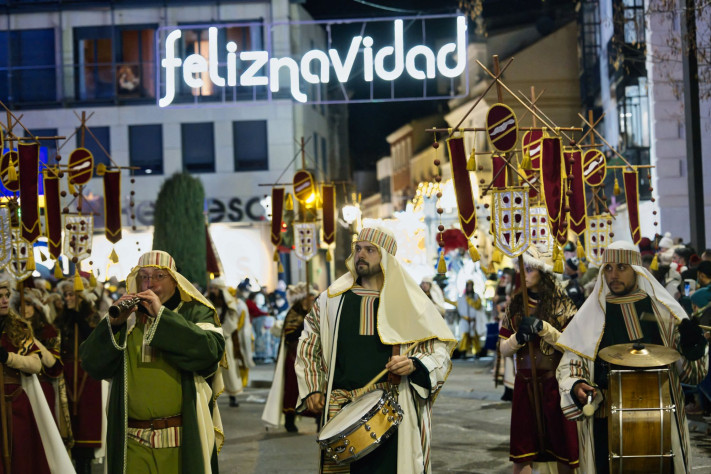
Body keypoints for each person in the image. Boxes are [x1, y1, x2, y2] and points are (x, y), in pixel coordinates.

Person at [295, 223, 455, 473]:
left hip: (392, 409)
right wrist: (313, 387)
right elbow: (309, 343)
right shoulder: (331, 300)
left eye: (370, 250)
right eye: (358, 248)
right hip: (341, 409)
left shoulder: (409, 302)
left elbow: (438, 348)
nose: (361, 254)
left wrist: (414, 364)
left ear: (387, 257)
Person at [556, 241, 709, 473]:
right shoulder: (591, 314)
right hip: (606, 420)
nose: (613, 275)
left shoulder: (663, 310)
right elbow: (572, 363)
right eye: (608, 268)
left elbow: (691, 373)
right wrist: (577, 384)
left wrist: (693, 345)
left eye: (621, 267)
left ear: (636, 270)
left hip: (660, 418)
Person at [79, 250, 226, 474]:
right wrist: (113, 325)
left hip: (182, 439)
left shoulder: (195, 311)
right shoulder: (127, 316)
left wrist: (162, 316)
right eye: (144, 276)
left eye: (159, 276)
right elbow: (91, 364)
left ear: (175, 281)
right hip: (132, 441)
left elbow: (210, 352)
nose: (150, 283)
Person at [498, 247, 579, 473]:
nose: (524, 273)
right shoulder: (515, 304)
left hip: (555, 384)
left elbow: (572, 346)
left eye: (530, 269)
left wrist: (544, 329)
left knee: (564, 450)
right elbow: (503, 349)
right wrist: (518, 339)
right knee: (522, 453)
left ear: (543, 272)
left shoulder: (563, 304)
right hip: (524, 385)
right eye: (522, 268)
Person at [0, 279, 74, 473]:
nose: (5, 300)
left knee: (22, 458)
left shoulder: (19, 328)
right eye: (0, 297)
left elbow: (36, 364)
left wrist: (8, 358)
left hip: (15, 401)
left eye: (6, 296)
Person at [54, 279, 103, 473]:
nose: (67, 298)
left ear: (80, 296)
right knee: (68, 421)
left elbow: (96, 338)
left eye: (71, 294)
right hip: (67, 372)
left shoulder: (91, 314)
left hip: (86, 374)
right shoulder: (62, 317)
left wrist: (80, 319)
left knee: (86, 420)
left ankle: (85, 465)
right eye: (65, 295)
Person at [262, 282, 319, 432]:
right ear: (303, 298)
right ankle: (289, 420)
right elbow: (290, 335)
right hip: (295, 357)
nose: (312, 299)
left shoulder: (313, 311)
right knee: (293, 389)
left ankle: (319, 420)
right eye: (310, 296)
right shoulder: (294, 313)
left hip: (311, 355)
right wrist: (305, 324)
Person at [207, 278, 254, 407]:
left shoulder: (229, 303)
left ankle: (232, 395)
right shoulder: (208, 301)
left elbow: (232, 321)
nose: (213, 291)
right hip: (210, 338)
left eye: (215, 288)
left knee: (229, 368)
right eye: (212, 288)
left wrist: (221, 333)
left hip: (225, 339)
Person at [456, 280, 486, 358]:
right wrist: (465, 317)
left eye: (470, 286)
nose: (469, 288)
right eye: (468, 286)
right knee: (465, 336)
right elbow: (460, 308)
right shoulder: (462, 297)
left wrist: (469, 300)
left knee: (475, 336)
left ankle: (476, 352)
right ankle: (463, 352)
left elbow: (478, 306)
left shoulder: (476, 296)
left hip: (474, 320)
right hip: (465, 320)